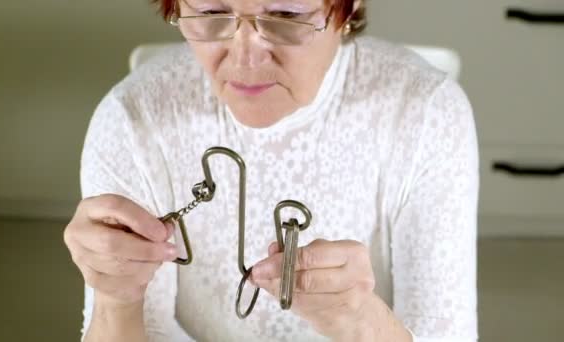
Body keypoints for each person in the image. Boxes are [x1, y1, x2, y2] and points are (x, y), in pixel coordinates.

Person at [63, 0, 479, 341]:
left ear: (347, 9)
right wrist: (116, 299)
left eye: (287, 16)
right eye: (210, 14)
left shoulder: (426, 112)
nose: (245, 57)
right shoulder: (131, 118)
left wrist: (361, 325)